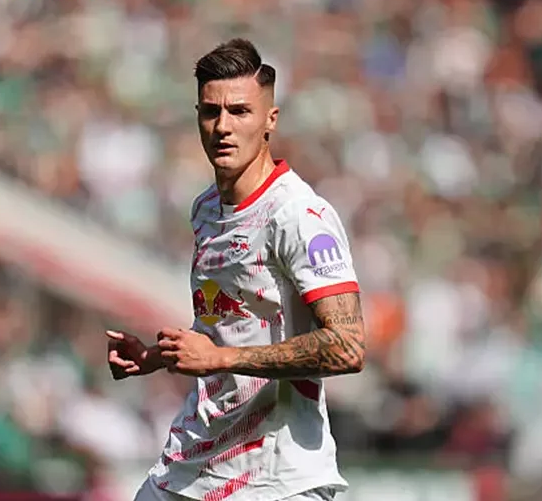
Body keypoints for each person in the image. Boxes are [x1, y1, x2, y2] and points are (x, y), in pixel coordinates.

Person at [106, 38, 365, 501]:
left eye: (240, 112)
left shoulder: (299, 215)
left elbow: (347, 346)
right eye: (211, 112)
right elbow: (229, 326)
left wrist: (220, 359)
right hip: (194, 466)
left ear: (270, 119)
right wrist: (156, 357)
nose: (223, 127)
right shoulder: (206, 208)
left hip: (276, 479)